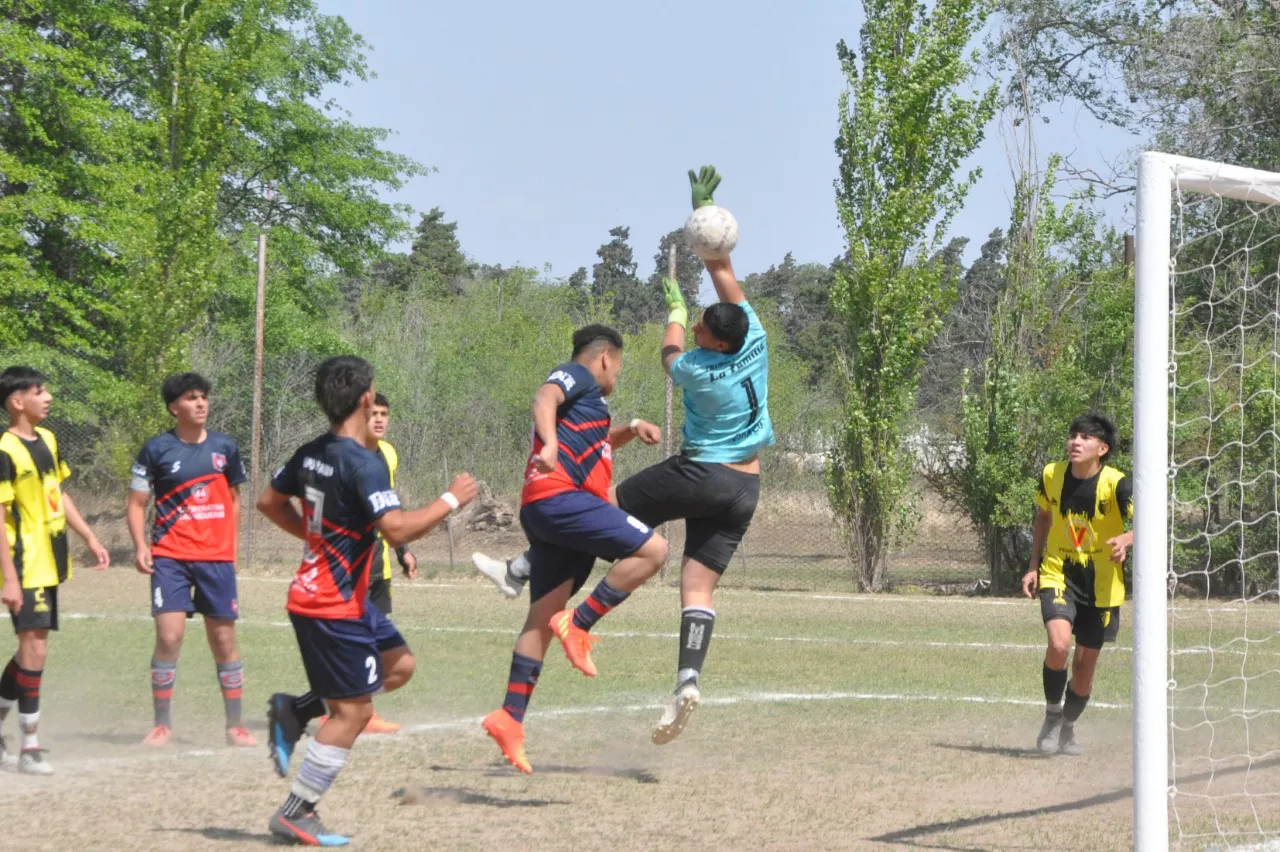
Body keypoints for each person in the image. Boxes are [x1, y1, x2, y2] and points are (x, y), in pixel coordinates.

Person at [475, 165, 772, 744]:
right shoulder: (755, 336)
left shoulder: (696, 367)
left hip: (702, 472)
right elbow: (726, 272)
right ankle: (686, 680)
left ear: (713, 339)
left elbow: (670, 353)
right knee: (698, 588)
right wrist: (711, 232)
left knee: (608, 506)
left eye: (706, 328)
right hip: (747, 487)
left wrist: (678, 315)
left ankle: (557, 600)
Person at [256, 355, 475, 846]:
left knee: (398, 666)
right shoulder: (363, 461)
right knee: (352, 715)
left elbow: (268, 501)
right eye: (374, 393)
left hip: (344, 599)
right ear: (363, 399)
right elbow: (395, 528)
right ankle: (297, 812)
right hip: (329, 604)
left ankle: (294, 710)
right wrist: (451, 500)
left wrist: (315, 540)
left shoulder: (312, 450)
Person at [480, 325, 667, 774]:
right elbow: (544, 397)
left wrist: (630, 428)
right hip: (562, 500)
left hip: (555, 514)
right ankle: (579, 624)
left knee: (540, 620)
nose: (617, 374)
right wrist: (548, 443)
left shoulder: (592, 409)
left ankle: (509, 717)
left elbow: (600, 442)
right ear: (605, 357)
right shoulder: (576, 375)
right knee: (654, 550)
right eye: (618, 365)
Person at [127, 373, 256, 748]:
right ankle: (162, 725)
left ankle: (235, 726)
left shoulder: (225, 447)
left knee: (223, 640)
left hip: (215, 559)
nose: (200, 403)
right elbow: (136, 504)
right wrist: (140, 546)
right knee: (169, 637)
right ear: (174, 408)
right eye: (191, 398)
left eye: (203, 397)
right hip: (170, 557)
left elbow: (234, 499)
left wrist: (230, 547)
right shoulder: (156, 449)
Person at [0, 366, 110, 775]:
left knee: (32, 647)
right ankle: (30, 747)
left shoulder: (47, 439)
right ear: (17, 402)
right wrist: (9, 577)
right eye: (39, 391)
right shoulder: (4, 449)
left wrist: (90, 538)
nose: (48, 397)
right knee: (36, 648)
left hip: (51, 561)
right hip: (24, 564)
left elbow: (58, 496)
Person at [1022, 414, 1133, 756]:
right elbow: (1043, 517)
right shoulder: (1051, 475)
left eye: (1085, 437)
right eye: (1073, 435)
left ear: (1103, 448)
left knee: (1084, 668)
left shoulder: (1117, 484)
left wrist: (1127, 538)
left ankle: (1068, 725)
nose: (1075, 441)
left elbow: (1150, 518)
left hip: (1102, 585)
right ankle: (1052, 715)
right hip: (1058, 573)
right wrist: (1033, 565)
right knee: (1058, 645)